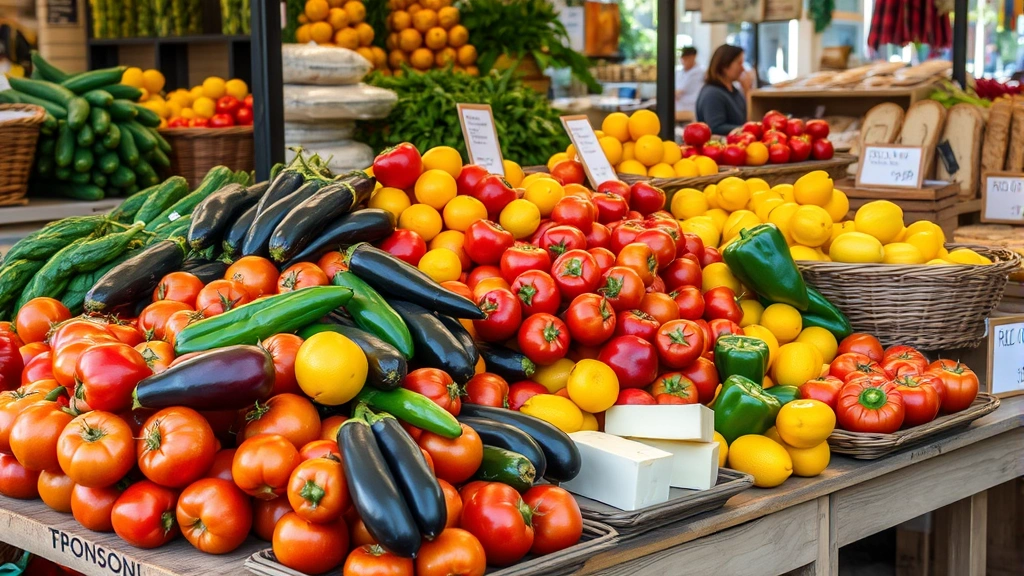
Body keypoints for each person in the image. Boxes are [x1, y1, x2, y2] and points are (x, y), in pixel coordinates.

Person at [695, 44, 750, 136]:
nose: (743, 68)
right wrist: (749, 129)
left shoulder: (734, 91)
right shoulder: (712, 94)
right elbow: (715, 127)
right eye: (739, 63)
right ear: (725, 66)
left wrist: (747, 90)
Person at [675, 47, 704, 121]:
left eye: (686, 59)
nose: (683, 61)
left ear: (693, 57)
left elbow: (678, 92)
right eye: (683, 59)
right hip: (678, 107)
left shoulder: (697, 72)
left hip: (690, 109)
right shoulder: (680, 72)